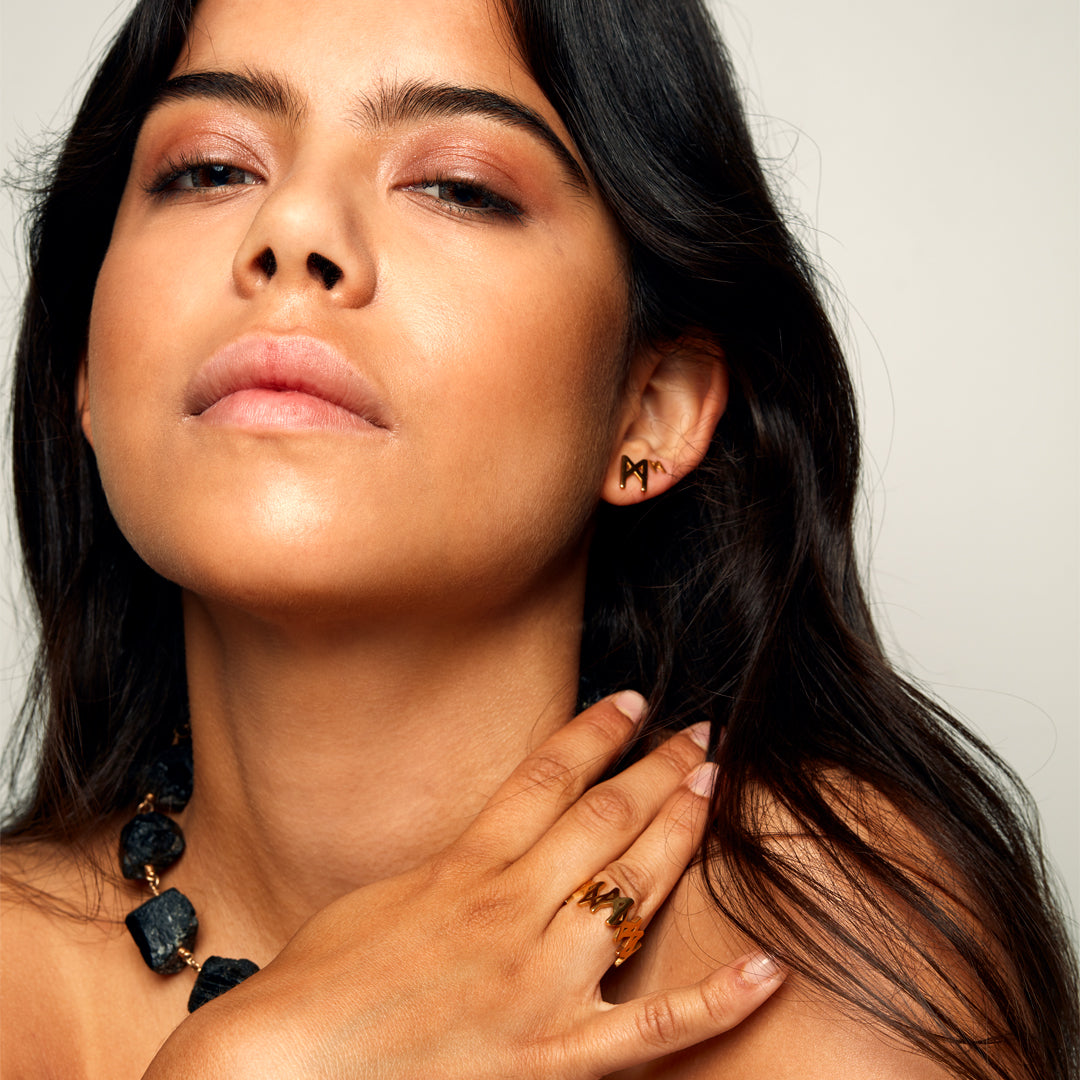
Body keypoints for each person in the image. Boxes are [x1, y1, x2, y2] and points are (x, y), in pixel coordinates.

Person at [0, 0, 1076, 1077]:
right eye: (207, 169)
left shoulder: (805, 942)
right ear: (87, 371)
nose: (291, 232)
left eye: (458, 185)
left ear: (648, 409)